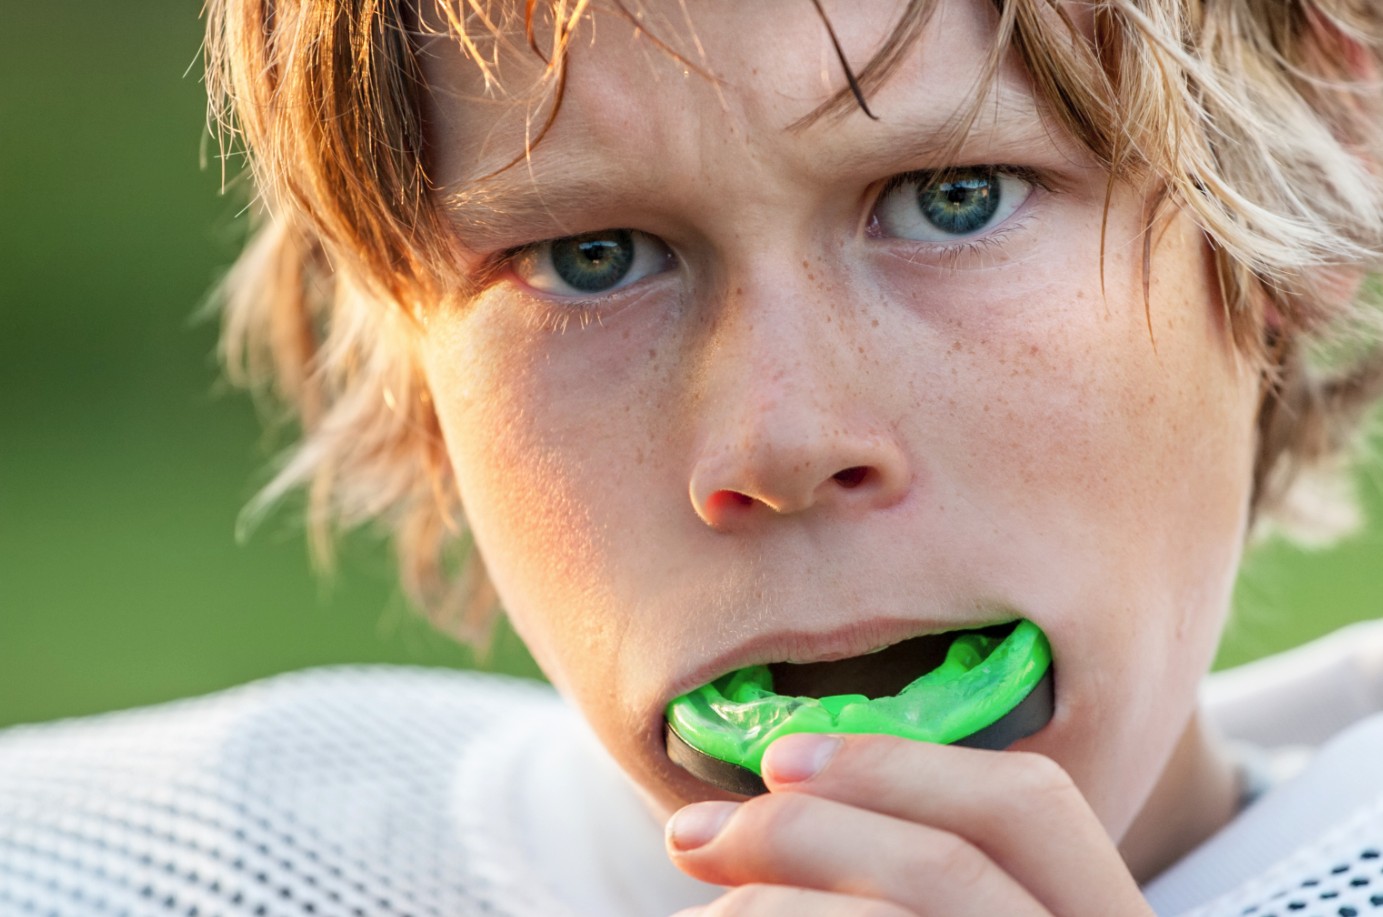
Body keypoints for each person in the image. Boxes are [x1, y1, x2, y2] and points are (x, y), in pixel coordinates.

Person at [5, 1, 1383, 914]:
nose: (779, 439)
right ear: (405, 351)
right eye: (590, 257)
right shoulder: (133, 866)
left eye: (952, 199)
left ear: (1327, 157)